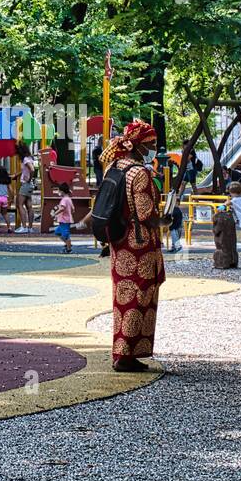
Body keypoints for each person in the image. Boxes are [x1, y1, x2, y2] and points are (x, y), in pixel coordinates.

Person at [101, 119, 167, 372]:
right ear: (138, 145)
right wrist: (164, 219)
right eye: (150, 144)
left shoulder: (114, 167)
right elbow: (144, 213)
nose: (153, 148)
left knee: (123, 297)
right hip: (139, 244)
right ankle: (126, 355)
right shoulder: (140, 173)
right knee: (139, 297)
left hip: (119, 242)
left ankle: (123, 351)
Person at [15, 143, 37, 233]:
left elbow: (32, 169)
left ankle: (24, 226)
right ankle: (30, 227)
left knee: (19, 204)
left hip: (26, 184)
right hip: (29, 185)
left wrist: (29, 179)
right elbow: (26, 170)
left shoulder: (25, 159)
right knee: (29, 206)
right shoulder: (30, 158)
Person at [53, 182, 76, 253]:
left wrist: (55, 213)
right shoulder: (69, 199)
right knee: (58, 232)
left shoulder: (64, 200)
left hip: (64, 221)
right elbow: (73, 209)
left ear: (62, 192)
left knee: (65, 235)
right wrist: (69, 214)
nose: (58, 192)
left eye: (59, 191)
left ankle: (68, 248)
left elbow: (62, 208)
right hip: (65, 220)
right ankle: (68, 244)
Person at [0, 165, 14, 234]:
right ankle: (9, 227)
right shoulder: (7, 181)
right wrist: (11, 198)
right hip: (5, 198)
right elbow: (11, 190)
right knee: (5, 213)